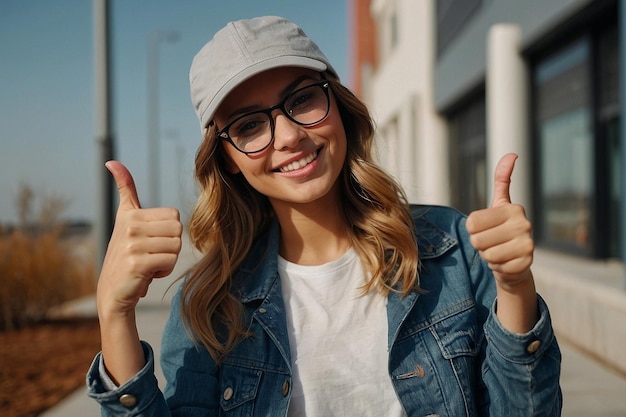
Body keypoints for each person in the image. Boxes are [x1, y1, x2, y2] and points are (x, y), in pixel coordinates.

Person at [87, 15, 562, 417]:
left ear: (338, 105)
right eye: (249, 125)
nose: (289, 136)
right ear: (228, 156)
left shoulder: (451, 249)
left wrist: (516, 288)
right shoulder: (206, 308)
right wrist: (114, 313)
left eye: (302, 99)